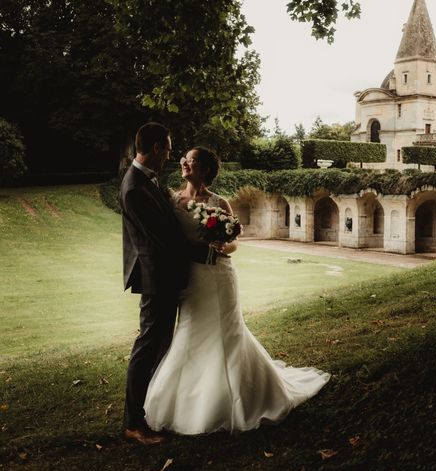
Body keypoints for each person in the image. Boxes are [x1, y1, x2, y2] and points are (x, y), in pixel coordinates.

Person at [143, 146, 330, 435]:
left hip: (219, 275)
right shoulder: (172, 200)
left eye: (190, 161)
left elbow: (234, 243)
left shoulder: (220, 202)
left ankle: (235, 399)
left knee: (226, 333)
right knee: (191, 332)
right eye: (184, 160)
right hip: (189, 278)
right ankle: (188, 400)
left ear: (204, 169)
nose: (184, 164)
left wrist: (223, 245)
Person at [119, 123, 209, 445]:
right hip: (156, 277)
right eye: (169, 148)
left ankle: (151, 411)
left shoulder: (148, 180)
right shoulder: (134, 187)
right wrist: (204, 251)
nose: (171, 154)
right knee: (148, 346)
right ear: (156, 148)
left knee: (160, 345)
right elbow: (164, 239)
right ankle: (133, 423)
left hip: (165, 276)